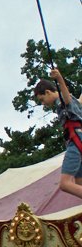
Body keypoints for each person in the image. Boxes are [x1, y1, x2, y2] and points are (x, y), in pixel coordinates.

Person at [34, 69, 82, 198]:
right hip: (78, 140)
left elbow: (66, 98)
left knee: (65, 184)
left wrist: (59, 78)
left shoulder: (62, 101)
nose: (43, 104)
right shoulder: (74, 101)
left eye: (42, 99)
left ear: (48, 92)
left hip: (76, 141)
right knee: (79, 183)